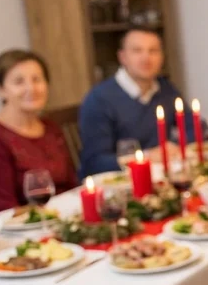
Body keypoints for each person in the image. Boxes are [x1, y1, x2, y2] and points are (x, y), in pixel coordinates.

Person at [0, 50, 78, 215]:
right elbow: (2, 209)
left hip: (62, 216)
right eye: (19, 82)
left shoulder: (51, 128)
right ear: (0, 90)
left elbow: (71, 186)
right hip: (17, 225)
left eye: (37, 79)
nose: (31, 88)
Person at [78, 26, 191, 177]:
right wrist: (147, 156)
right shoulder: (99, 99)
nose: (146, 58)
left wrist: (173, 147)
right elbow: (95, 162)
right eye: (137, 51)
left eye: (153, 51)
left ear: (162, 57)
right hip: (121, 181)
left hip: (161, 176)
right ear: (122, 57)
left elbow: (195, 128)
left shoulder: (166, 89)